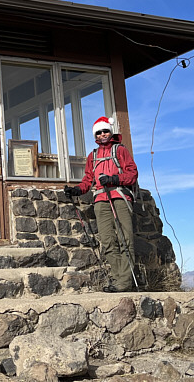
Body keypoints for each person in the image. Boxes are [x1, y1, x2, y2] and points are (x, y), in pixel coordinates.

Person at [64, 116, 138, 292]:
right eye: (99, 132)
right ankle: (120, 279)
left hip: (119, 196)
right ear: (95, 135)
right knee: (107, 241)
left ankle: (125, 281)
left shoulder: (120, 150)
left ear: (110, 132)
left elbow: (132, 173)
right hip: (100, 199)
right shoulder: (93, 156)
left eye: (105, 131)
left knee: (124, 238)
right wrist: (76, 190)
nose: (103, 134)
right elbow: (88, 180)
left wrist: (114, 179)